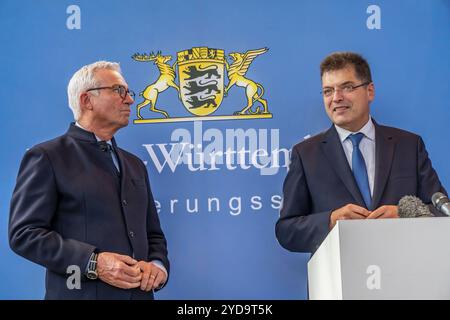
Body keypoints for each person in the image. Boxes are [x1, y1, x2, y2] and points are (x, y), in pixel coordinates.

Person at [9, 61, 169, 299]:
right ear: (87, 100)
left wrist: (158, 267)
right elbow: (24, 234)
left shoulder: (135, 164)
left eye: (128, 92)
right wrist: (94, 263)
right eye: (118, 90)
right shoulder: (47, 156)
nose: (129, 100)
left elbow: (152, 234)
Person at [275, 52, 447, 254]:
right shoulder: (306, 154)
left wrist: (405, 214)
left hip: (404, 272)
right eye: (328, 91)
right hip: (338, 279)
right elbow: (286, 231)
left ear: (370, 91)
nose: (336, 98)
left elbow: (442, 211)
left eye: (347, 87)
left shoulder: (409, 145)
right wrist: (330, 221)